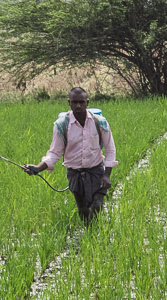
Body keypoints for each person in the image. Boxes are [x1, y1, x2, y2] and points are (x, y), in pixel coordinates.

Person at [25, 87, 116, 221]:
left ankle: (96, 234)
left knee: (97, 205)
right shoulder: (62, 125)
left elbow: (110, 149)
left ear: (87, 102)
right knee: (83, 210)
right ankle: (89, 235)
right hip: (75, 173)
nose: (78, 105)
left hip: (96, 170)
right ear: (69, 103)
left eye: (81, 102)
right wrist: (38, 168)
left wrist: (107, 175)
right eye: (74, 102)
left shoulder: (100, 122)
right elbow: (54, 153)